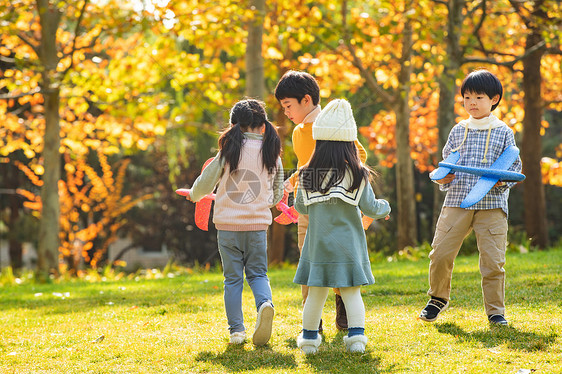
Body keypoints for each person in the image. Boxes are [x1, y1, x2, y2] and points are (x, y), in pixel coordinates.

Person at [419, 69, 522, 326]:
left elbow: (514, 168)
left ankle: (496, 312)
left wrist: (503, 179)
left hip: (492, 205)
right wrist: (442, 178)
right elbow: (446, 165)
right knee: (440, 253)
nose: (472, 103)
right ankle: (437, 299)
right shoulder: (458, 130)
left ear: (494, 99)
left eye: (478, 97)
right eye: (467, 97)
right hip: (457, 201)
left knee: (493, 262)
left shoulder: (504, 132)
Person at [293, 99, 391, 354]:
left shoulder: (307, 174)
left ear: (319, 142)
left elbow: (301, 208)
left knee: (315, 295)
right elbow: (371, 208)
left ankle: (310, 340)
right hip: (348, 246)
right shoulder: (357, 174)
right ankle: (357, 339)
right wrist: (386, 207)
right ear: (350, 143)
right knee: (351, 293)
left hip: (317, 247)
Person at [274, 70, 369, 331]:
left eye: (288, 106)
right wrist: (291, 182)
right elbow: (305, 165)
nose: (286, 112)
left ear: (306, 100)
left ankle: (344, 309)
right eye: (283, 107)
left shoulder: (331, 126)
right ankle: (312, 320)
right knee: (309, 259)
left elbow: (359, 154)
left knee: (340, 256)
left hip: (336, 207)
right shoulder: (297, 133)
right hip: (308, 209)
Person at [185, 99, 284, 345]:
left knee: (232, 280)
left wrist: (193, 195)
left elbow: (205, 183)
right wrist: (262, 202)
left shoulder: (227, 151)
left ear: (233, 126)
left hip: (228, 228)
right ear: (263, 126)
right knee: (258, 274)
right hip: (258, 228)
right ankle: (265, 304)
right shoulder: (272, 153)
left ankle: (237, 332)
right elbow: (278, 194)